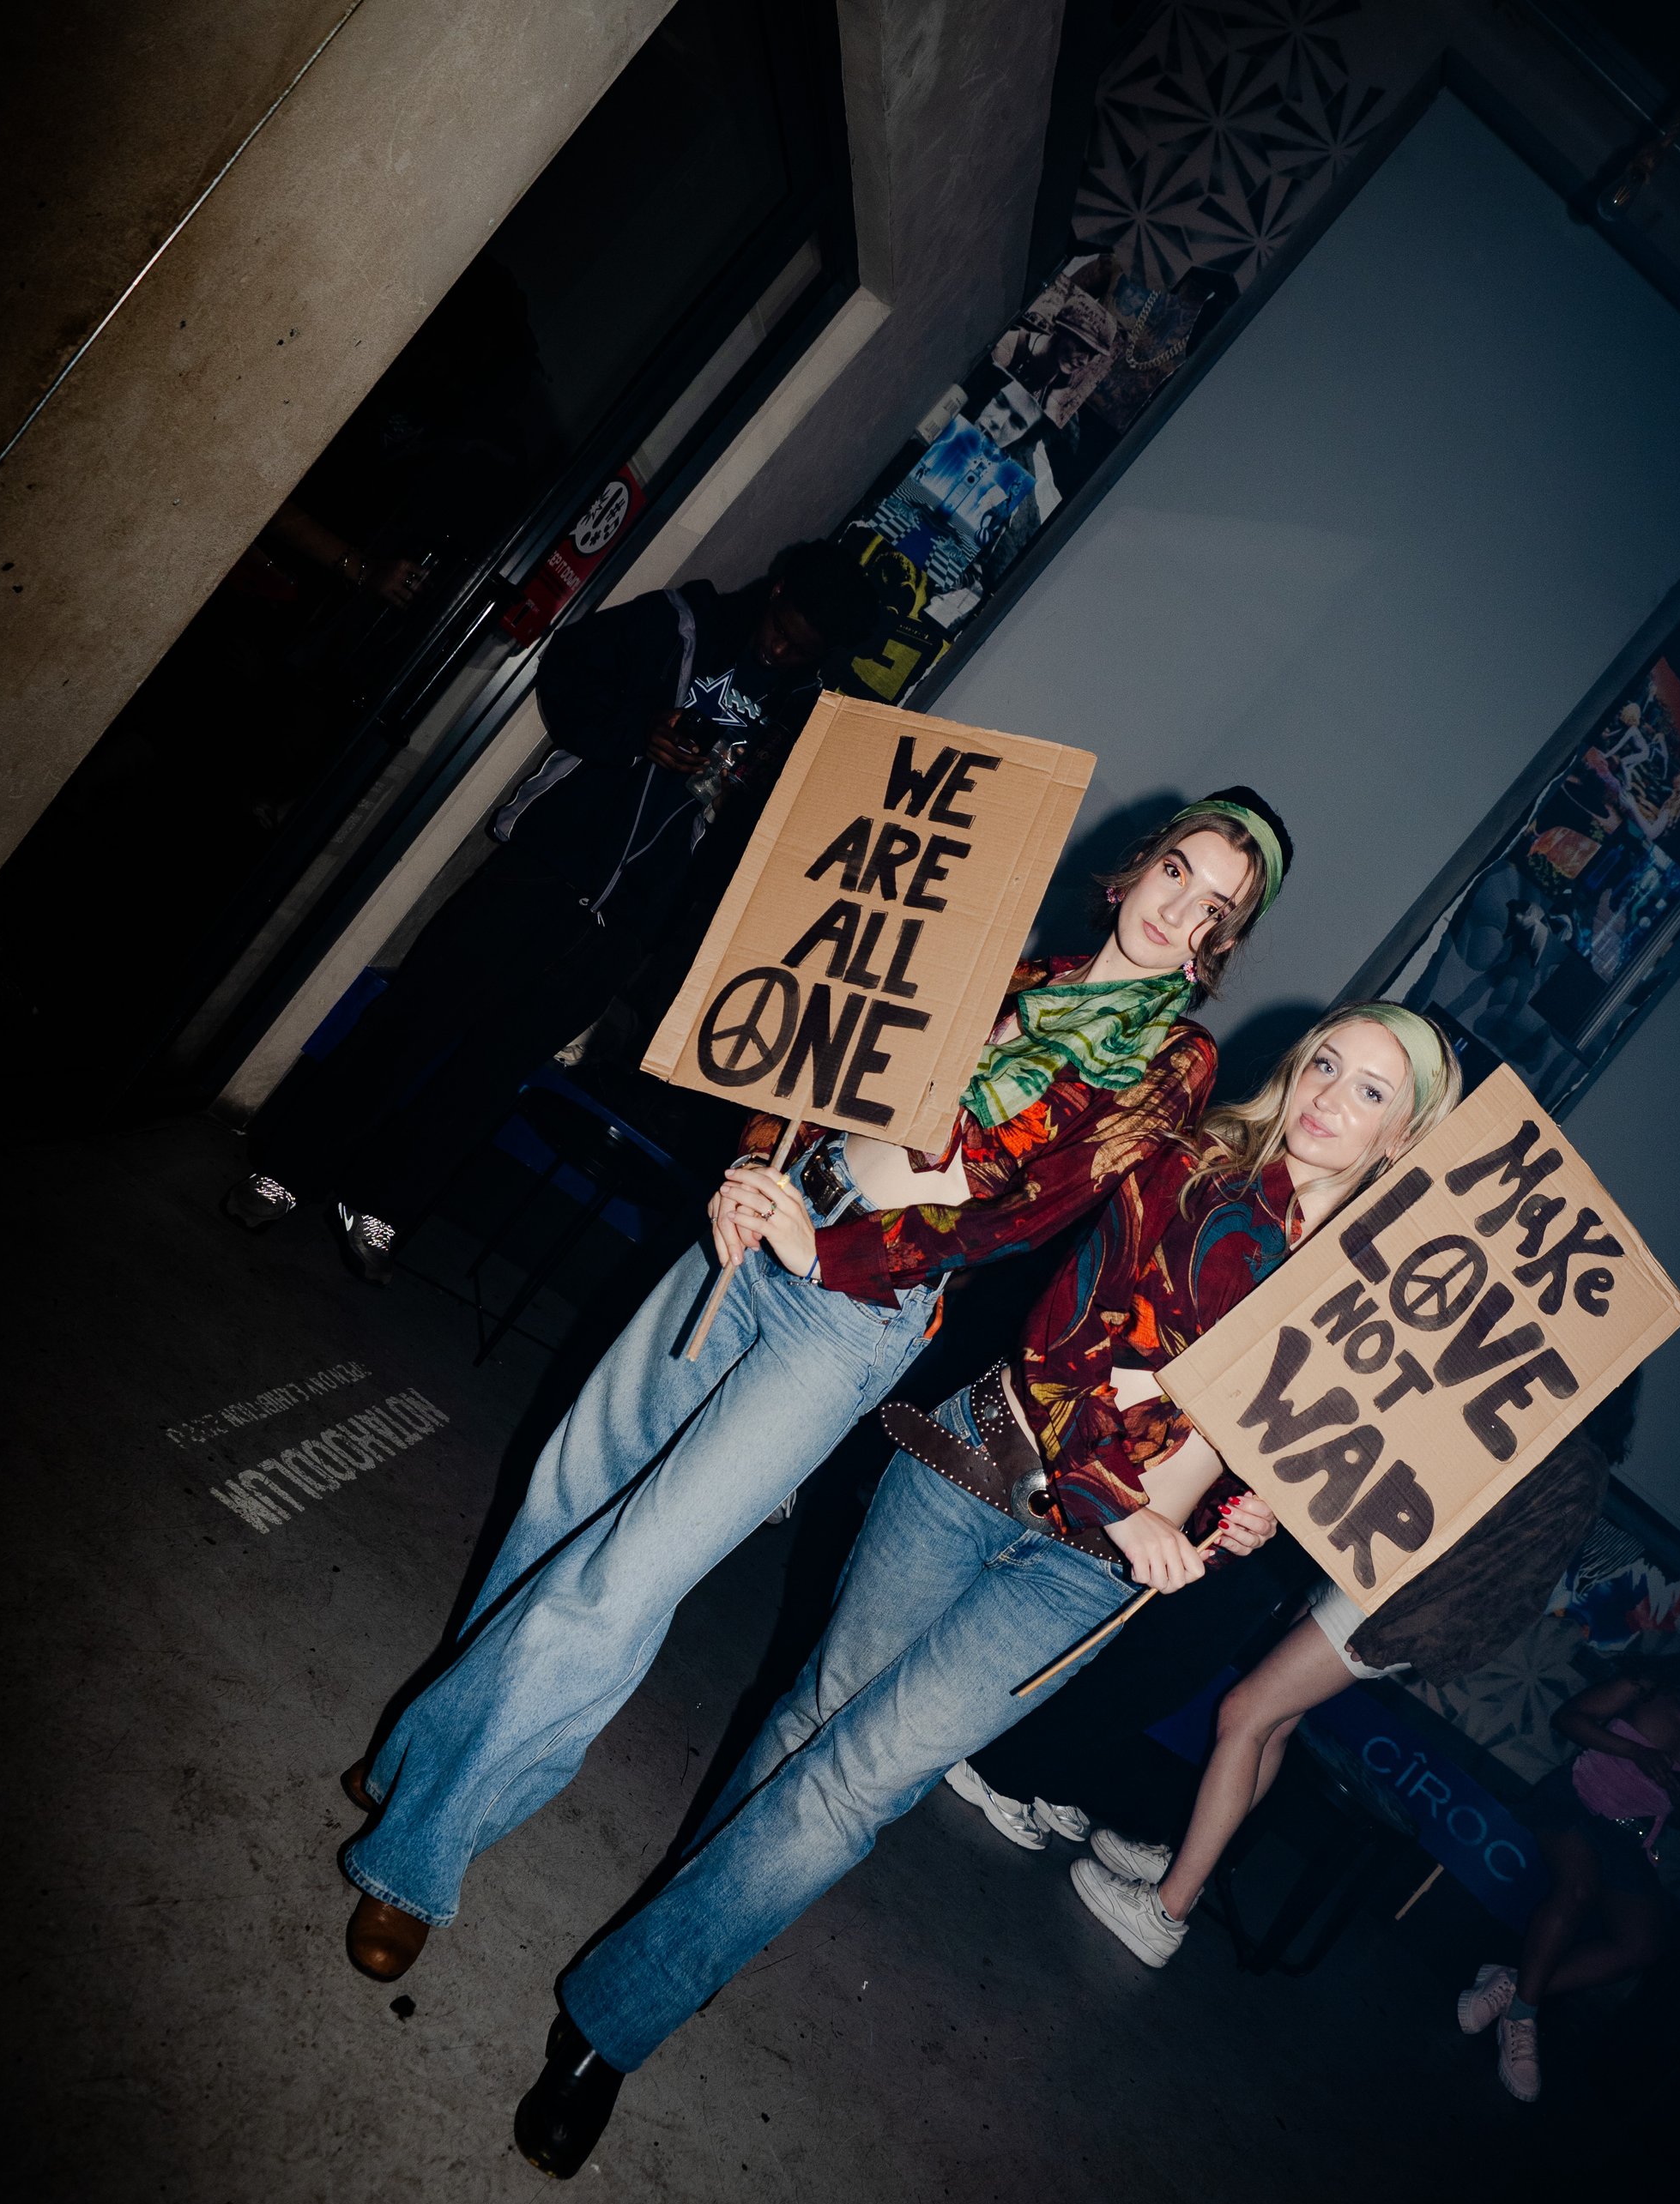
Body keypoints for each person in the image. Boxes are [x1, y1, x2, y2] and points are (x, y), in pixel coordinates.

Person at [336, 790, 1295, 1980]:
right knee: (562, 1502)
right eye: (1177, 873)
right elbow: (821, 1041)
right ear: (1131, 869)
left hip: (853, 1308)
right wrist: (750, 1162)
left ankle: (416, 1857)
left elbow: (1023, 1207)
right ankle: (422, 1758)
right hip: (759, 1219)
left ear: (1222, 941)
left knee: (628, 1576)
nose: (1181, 910)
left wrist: (826, 1250)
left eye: (1217, 907)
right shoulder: (1000, 957)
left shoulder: (1169, 1058)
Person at [506, 998, 1462, 2177]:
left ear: (1405, 1132)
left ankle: (619, 2016)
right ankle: (692, 1936)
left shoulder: (1365, 1311)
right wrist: (1135, 1493)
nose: (1329, 1095)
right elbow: (1077, 1343)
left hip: (1090, 1573)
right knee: (814, 1714)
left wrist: (1238, 1510)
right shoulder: (1193, 1164)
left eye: (1371, 1088)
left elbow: (1260, 1440)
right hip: (981, 1464)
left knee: (859, 1784)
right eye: (1327, 1060)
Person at [228, 540, 879, 1278]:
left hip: (626, 923)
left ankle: (382, 1207)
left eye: (802, 648)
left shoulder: (804, 711)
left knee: (495, 1066)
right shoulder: (678, 624)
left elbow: (773, 842)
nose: (782, 647)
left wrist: (754, 796)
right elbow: (569, 668)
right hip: (545, 867)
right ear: (775, 585)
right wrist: (641, 730)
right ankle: (286, 1170)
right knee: (413, 1017)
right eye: (782, 626)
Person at [1067, 1380, 1641, 1954]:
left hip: (1398, 1602)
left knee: (1246, 1713)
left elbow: (1491, 1567)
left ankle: (1167, 1911)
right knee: (1271, 1724)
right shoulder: (1572, 1454)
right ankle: (1183, 1858)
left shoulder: (1567, 1455)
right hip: (1382, 1584)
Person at [1456, 1645, 1680, 2104]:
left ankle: (1514, 1983)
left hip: (1628, 1842)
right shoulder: (1647, 1689)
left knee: (1644, 1944)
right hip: (1575, 1802)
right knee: (1578, 1889)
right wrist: (1636, 1753)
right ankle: (1522, 2017)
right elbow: (1569, 1719)